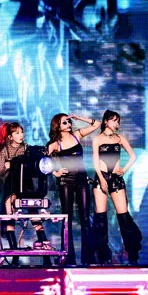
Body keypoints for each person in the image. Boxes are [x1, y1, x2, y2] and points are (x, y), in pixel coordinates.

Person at [46, 112, 100, 266]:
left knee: (85, 218)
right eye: (64, 122)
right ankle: (68, 257)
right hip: (66, 182)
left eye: (69, 121)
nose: (68, 124)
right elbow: (43, 162)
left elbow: (97, 124)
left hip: (82, 180)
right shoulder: (55, 144)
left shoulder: (77, 135)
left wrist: (79, 117)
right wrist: (55, 172)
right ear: (57, 126)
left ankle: (88, 258)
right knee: (67, 219)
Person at [90, 109, 142, 265]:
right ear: (106, 121)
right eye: (114, 120)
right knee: (100, 217)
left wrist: (123, 170)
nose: (116, 124)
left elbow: (133, 156)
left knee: (124, 216)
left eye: (118, 121)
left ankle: (132, 253)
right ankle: (103, 256)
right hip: (101, 177)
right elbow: (95, 161)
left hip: (116, 179)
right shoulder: (97, 139)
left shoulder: (120, 138)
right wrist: (101, 179)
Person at [0, 122, 51, 266]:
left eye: (22, 132)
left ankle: (46, 255)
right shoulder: (5, 151)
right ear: (10, 136)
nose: (21, 135)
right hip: (11, 185)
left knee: (34, 215)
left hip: (26, 184)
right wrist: (7, 165)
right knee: (10, 216)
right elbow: (0, 171)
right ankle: (14, 255)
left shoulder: (27, 148)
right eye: (17, 133)